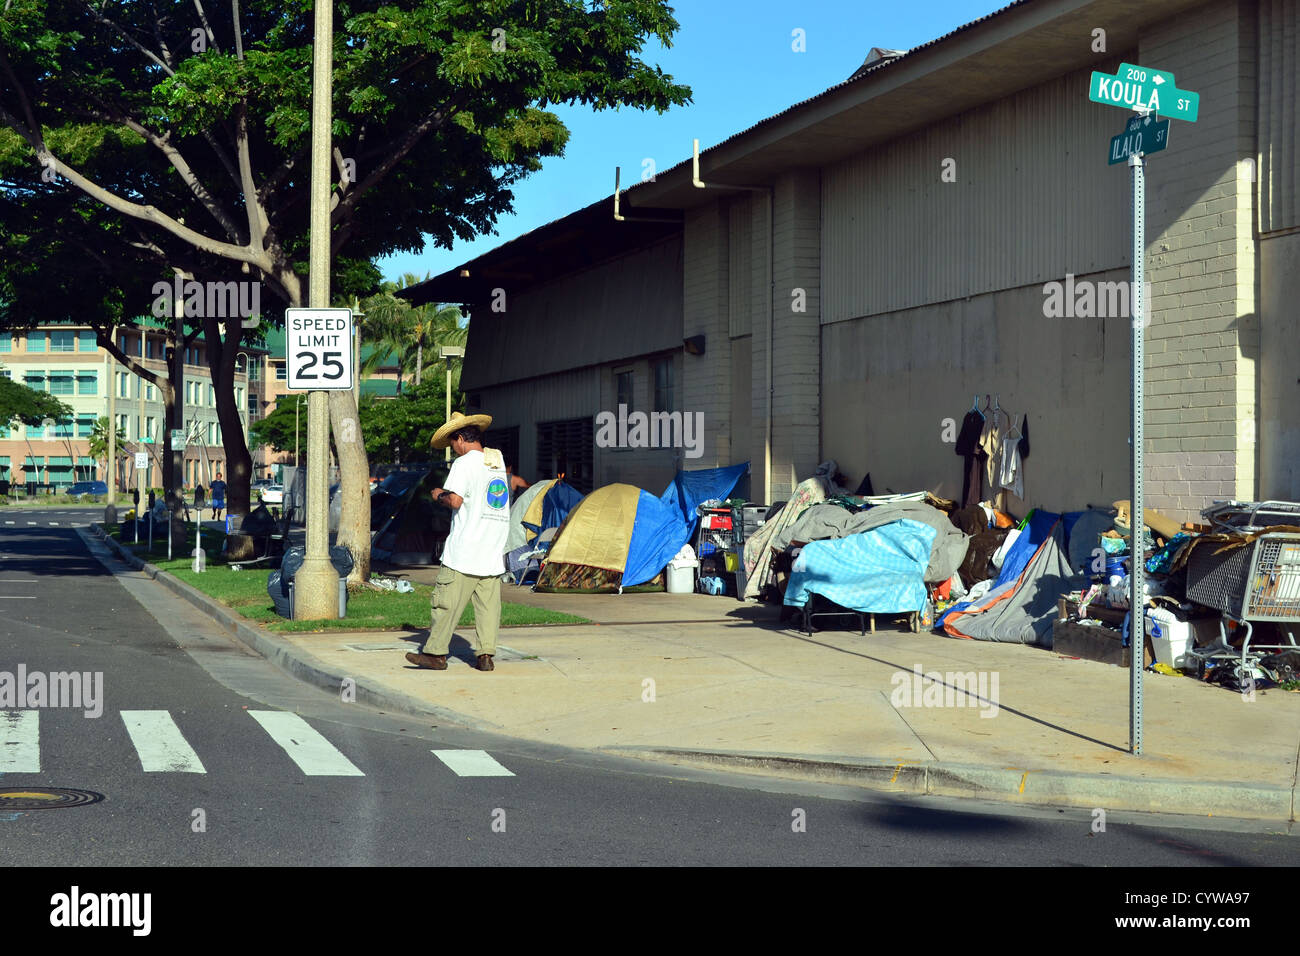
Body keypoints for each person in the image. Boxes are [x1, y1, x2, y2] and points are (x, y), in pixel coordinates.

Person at [406, 411, 510, 673]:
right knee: (488, 610)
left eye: (453, 444)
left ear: (461, 438)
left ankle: (436, 654)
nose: (453, 449)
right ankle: (485, 655)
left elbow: (456, 501)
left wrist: (439, 494)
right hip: (492, 550)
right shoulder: (496, 462)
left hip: (465, 551)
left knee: (445, 604)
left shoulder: (463, 465)